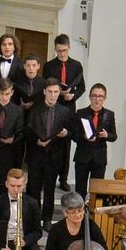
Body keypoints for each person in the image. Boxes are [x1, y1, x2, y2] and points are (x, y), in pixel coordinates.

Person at [43, 35, 85, 190]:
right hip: (53, 105)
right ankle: (46, 175)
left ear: (69, 48)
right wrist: (59, 94)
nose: (62, 53)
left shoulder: (76, 65)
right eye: (59, 51)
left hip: (68, 108)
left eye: (64, 50)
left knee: (66, 143)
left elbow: (81, 87)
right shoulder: (49, 66)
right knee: (50, 138)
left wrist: (73, 95)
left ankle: (63, 178)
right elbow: (46, 85)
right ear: (55, 49)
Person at [26, 79, 72, 220]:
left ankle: (46, 218)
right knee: (33, 189)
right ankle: (33, 218)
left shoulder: (65, 111)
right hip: (36, 155)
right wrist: (36, 141)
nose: (53, 95)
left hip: (54, 156)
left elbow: (72, 132)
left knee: (50, 190)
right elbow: (27, 131)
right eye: (50, 92)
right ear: (44, 91)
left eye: (56, 92)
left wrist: (66, 133)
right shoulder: (34, 109)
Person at [72, 83, 118, 198]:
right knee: (80, 190)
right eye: (94, 96)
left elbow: (114, 136)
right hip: (82, 157)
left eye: (100, 96)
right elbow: (74, 136)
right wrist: (84, 137)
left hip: (99, 158)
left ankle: (94, 216)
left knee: (97, 192)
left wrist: (107, 135)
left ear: (105, 98)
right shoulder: (81, 113)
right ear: (89, 97)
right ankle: (80, 215)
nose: (97, 99)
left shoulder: (109, 114)